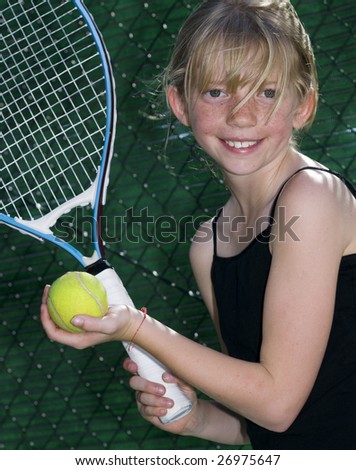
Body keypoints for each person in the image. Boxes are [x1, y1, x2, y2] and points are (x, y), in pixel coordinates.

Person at [41, 0, 356, 450]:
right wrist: (198, 420)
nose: (241, 114)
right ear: (180, 103)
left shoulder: (313, 199)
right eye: (215, 92)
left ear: (302, 106)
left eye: (266, 92)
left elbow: (277, 402)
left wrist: (136, 329)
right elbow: (267, 428)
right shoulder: (209, 246)